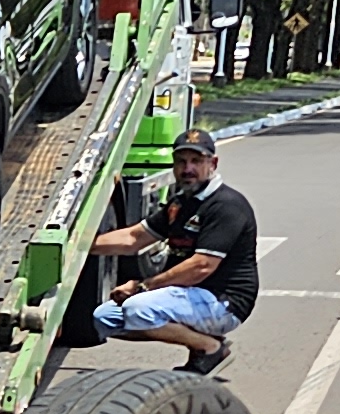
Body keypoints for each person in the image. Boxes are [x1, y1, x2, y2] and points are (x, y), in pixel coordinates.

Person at [88, 125, 256, 374]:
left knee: (138, 309)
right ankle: (201, 343)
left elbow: (201, 266)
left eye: (196, 161)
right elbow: (134, 238)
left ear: (213, 163)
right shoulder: (181, 203)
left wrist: (142, 287)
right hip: (189, 295)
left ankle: (209, 347)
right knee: (105, 317)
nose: (188, 169)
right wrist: (79, 247)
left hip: (223, 302)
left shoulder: (226, 206)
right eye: (181, 161)